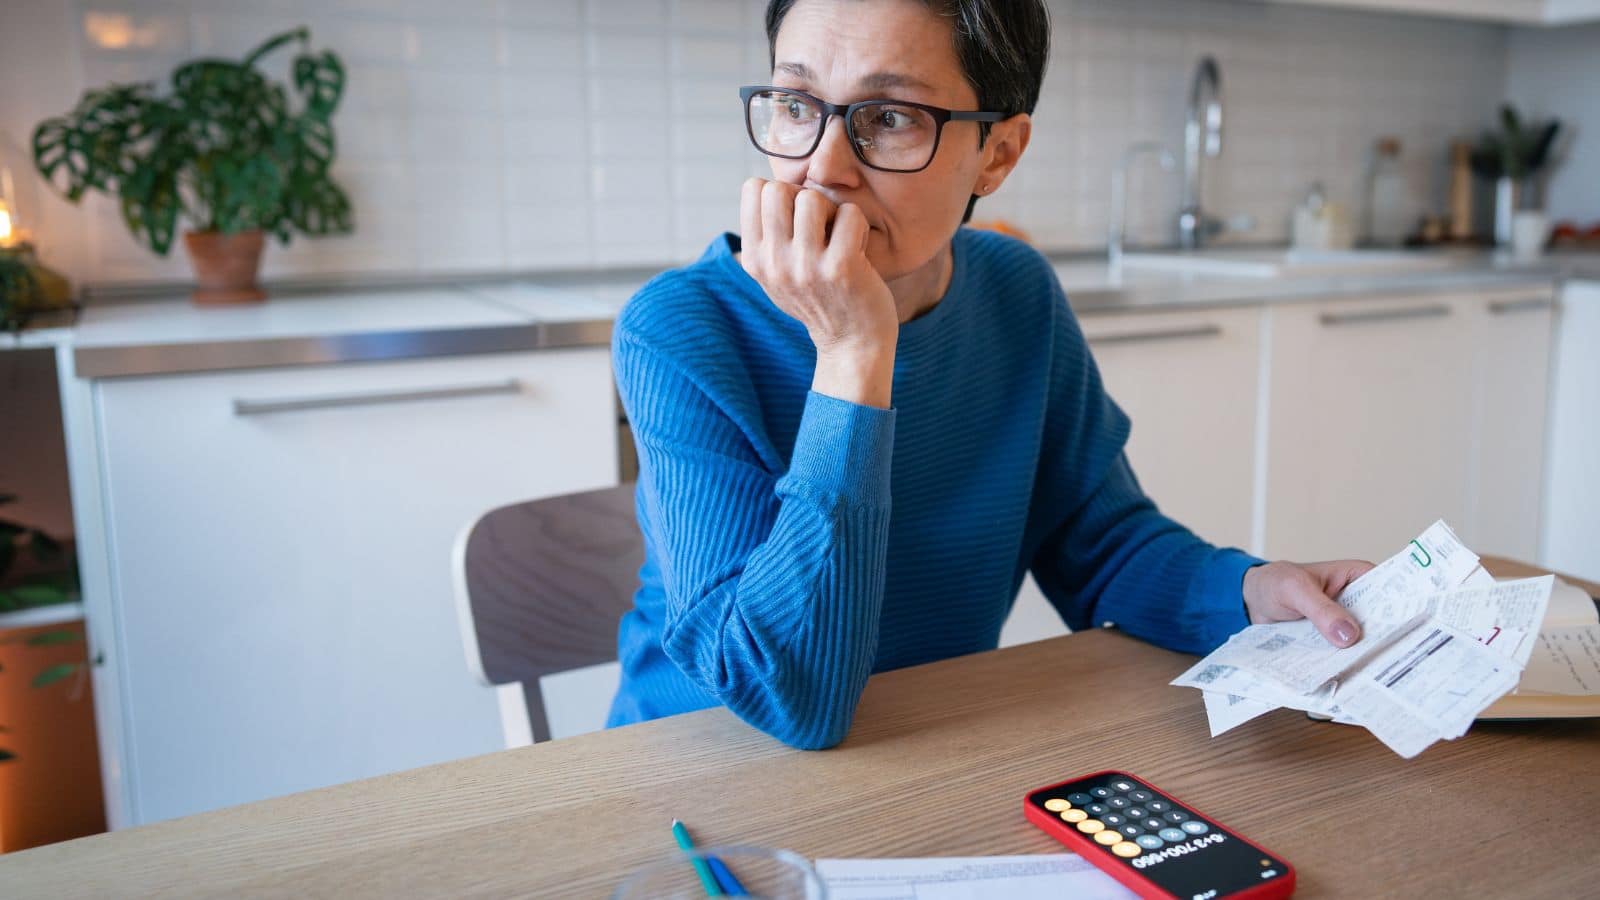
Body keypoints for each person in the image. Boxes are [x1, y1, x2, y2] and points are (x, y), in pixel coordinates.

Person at [605, 0, 1372, 750]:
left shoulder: (1015, 291)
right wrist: (853, 354)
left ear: (998, 153)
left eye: (890, 117)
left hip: (931, 748)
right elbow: (789, 694)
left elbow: (1100, 544)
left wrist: (1248, 591)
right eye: (797, 106)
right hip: (697, 773)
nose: (823, 170)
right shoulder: (680, 329)